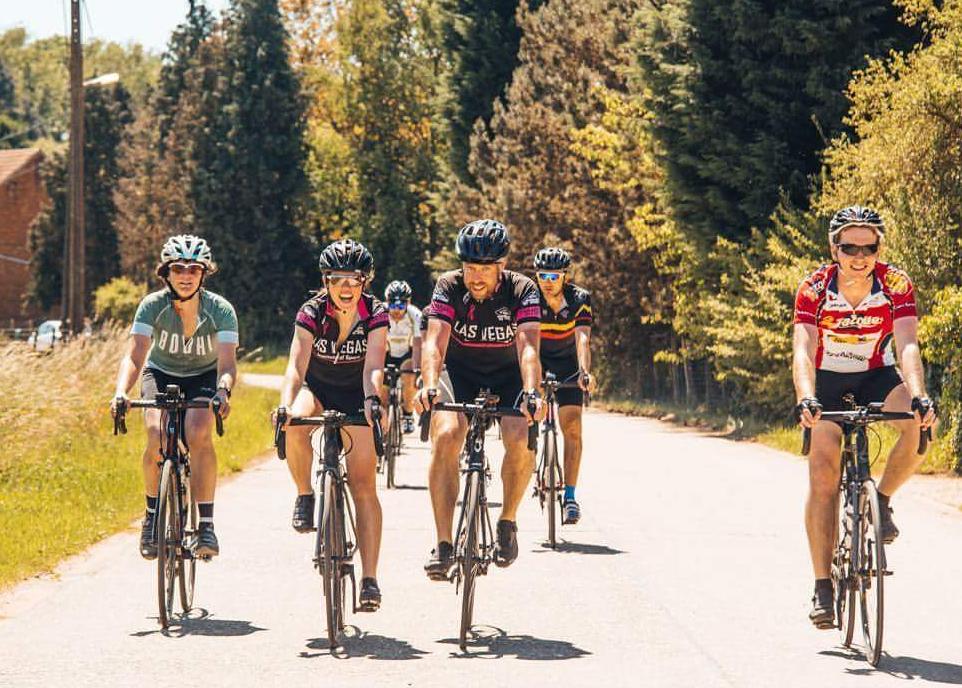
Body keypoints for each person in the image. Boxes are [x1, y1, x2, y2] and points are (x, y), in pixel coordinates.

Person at [792, 205, 936, 628]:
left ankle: (884, 499)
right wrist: (806, 397)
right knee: (823, 473)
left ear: (878, 247)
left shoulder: (895, 284)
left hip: (876, 374)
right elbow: (803, 348)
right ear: (834, 248)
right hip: (826, 380)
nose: (859, 255)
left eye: (868, 246)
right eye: (849, 246)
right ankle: (822, 585)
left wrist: (920, 394)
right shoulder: (814, 287)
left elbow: (907, 343)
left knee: (919, 425)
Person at [415, 219, 546, 579]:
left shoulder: (522, 289)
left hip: (509, 375)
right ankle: (443, 544)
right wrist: (427, 384)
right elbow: (434, 342)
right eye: (470, 267)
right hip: (460, 373)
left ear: (501, 266)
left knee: (520, 437)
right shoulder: (448, 286)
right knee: (445, 436)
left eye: (484, 269)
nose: (475, 277)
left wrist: (532, 392)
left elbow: (529, 347)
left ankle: (507, 520)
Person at [275, 238, 388, 611]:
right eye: (337, 279)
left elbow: (373, 366)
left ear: (364, 283)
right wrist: (286, 404)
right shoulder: (311, 312)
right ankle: (305, 494)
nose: (345, 287)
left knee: (363, 486)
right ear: (325, 282)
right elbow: (296, 364)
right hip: (319, 388)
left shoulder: (375, 313)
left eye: (353, 280)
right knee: (294, 425)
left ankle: (370, 579)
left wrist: (373, 401)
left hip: (357, 393)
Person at [110, 235, 237, 560]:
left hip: (203, 376)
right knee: (155, 434)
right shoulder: (153, 305)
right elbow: (136, 354)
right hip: (160, 372)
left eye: (193, 269)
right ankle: (152, 518)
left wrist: (223, 389)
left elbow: (226, 363)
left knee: (198, 433)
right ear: (166, 272)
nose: (185, 275)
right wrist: (121, 391)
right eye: (178, 268)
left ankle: (205, 525)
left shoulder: (220, 310)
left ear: (203, 273)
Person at [533, 247, 595, 525]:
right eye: (542, 275)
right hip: (536, 360)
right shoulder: (529, 297)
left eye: (553, 275)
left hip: (568, 364)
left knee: (571, 426)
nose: (547, 280)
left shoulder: (579, 299)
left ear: (564, 277)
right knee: (526, 417)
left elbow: (583, 339)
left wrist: (584, 372)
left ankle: (569, 497)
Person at [383, 280, 422, 433]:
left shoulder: (415, 315)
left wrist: (417, 368)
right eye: (393, 306)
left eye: (401, 306)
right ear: (387, 303)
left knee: (409, 376)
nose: (397, 311)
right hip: (386, 352)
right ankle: (384, 416)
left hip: (407, 352)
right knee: (382, 391)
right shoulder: (380, 313)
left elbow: (418, 344)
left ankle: (407, 415)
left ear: (408, 303)